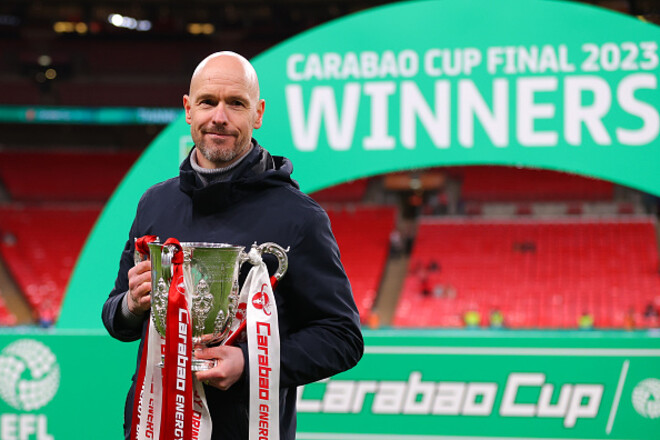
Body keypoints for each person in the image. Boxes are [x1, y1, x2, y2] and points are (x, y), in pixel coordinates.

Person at [101, 51, 364, 440]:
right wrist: (131, 304)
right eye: (208, 102)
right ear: (188, 110)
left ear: (257, 114)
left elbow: (342, 337)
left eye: (235, 104)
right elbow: (116, 316)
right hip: (154, 428)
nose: (219, 117)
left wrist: (250, 364)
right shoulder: (154, 204)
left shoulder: (300, 217)